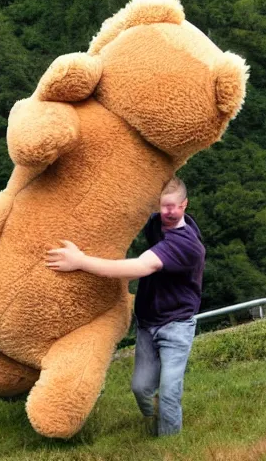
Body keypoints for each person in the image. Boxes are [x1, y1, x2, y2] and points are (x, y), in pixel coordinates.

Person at [45, 177, 205, 437]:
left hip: (177, 325)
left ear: (185, 204)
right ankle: (153, 418)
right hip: (147, 321)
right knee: (141, 388)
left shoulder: (187, 245)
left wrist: (80, 261)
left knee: (169, 391)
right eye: (164, 206)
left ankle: (169, 444)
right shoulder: (157, 223)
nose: (169, 212)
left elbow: (140, 267)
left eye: (175, 206)